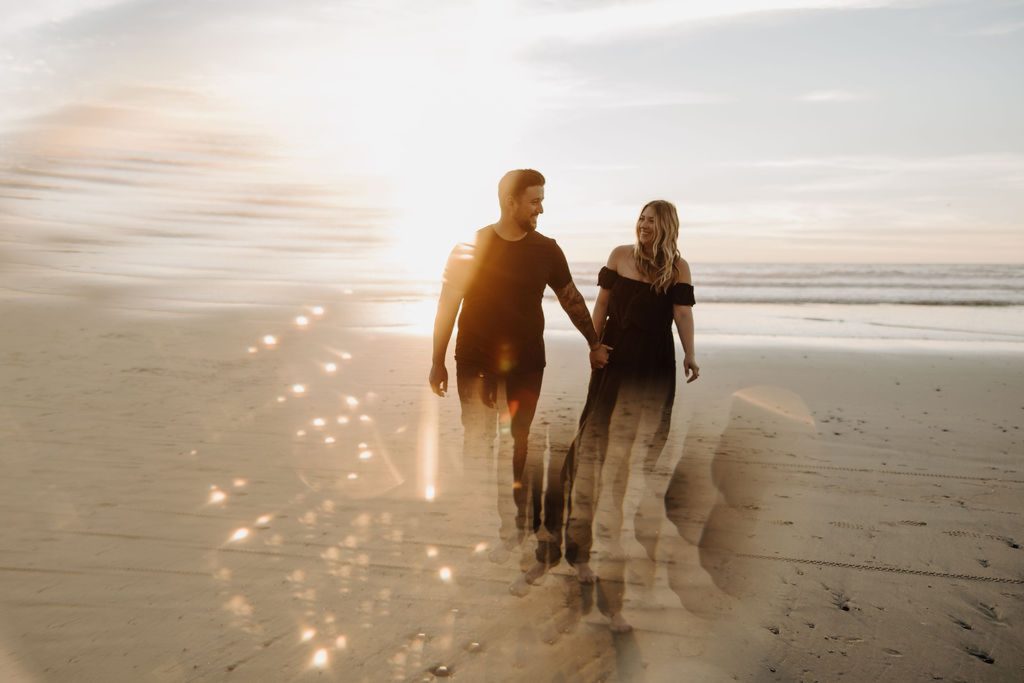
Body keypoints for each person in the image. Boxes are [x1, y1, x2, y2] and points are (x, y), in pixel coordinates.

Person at [531, 199, 699, 631]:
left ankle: (597, 555)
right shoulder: (619, 256)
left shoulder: (678, 268)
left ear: (666, 228)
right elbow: (602, 305)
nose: (644, 225)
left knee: (628, 463)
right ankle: (576, 552)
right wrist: (594, 344)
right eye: (641, 218)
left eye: (652, 221)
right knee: (590, 452)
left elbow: (682, 315)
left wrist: (690, 355)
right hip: (615, 361)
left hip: (654, 366)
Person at [428, 169, 610, 558]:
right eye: (534, 201)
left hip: (526, 362)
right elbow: (447, 305)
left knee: (517, 440)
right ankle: (474, 513)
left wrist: (594, 343)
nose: (541, 209)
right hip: (475, 360)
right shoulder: (470, 247)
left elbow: (571, 298)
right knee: (477, 438)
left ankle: (511, 519)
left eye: (542, 200)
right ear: (510, 202)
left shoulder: (546, 249)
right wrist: (436, 360)